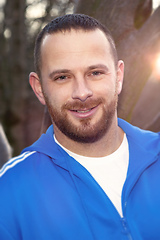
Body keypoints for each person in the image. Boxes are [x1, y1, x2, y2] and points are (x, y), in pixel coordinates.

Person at [0, 14, 159, 240]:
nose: (82, 92)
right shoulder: (9, 192)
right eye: (63, 77)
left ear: (119, 77)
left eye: (95, 73)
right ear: (39, 89)